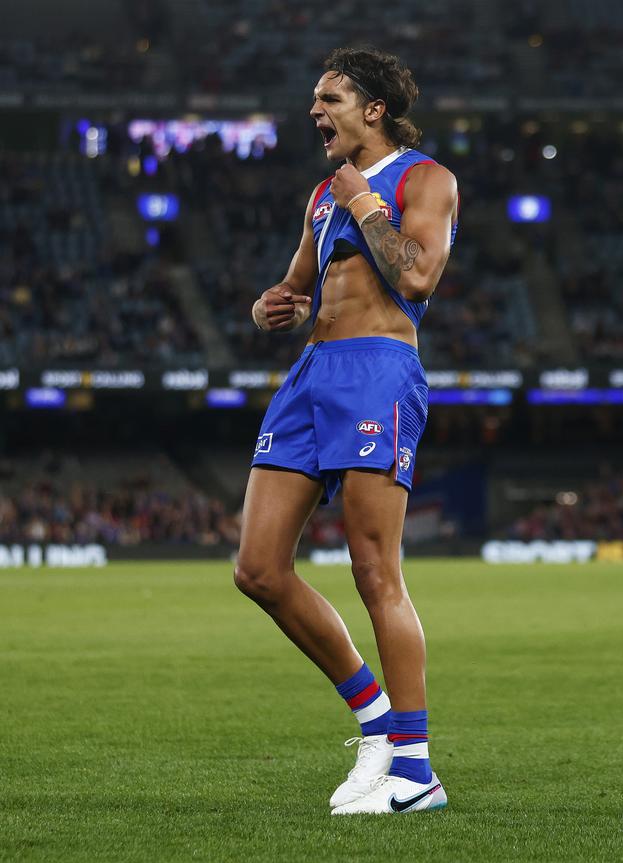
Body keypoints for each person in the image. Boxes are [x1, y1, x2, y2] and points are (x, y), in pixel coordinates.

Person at [234, 46, 459, 815]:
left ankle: (414, 767)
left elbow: (419, 275)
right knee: (258, 569)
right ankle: (374, 725)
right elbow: (299, 285)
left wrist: (366, 200)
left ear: (373, 109)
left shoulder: (425, 179)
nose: (314, 112)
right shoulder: (322, 195)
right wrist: (278, 306)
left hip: (378, 370)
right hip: (311, 375)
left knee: (373, 568)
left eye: (329, 98)